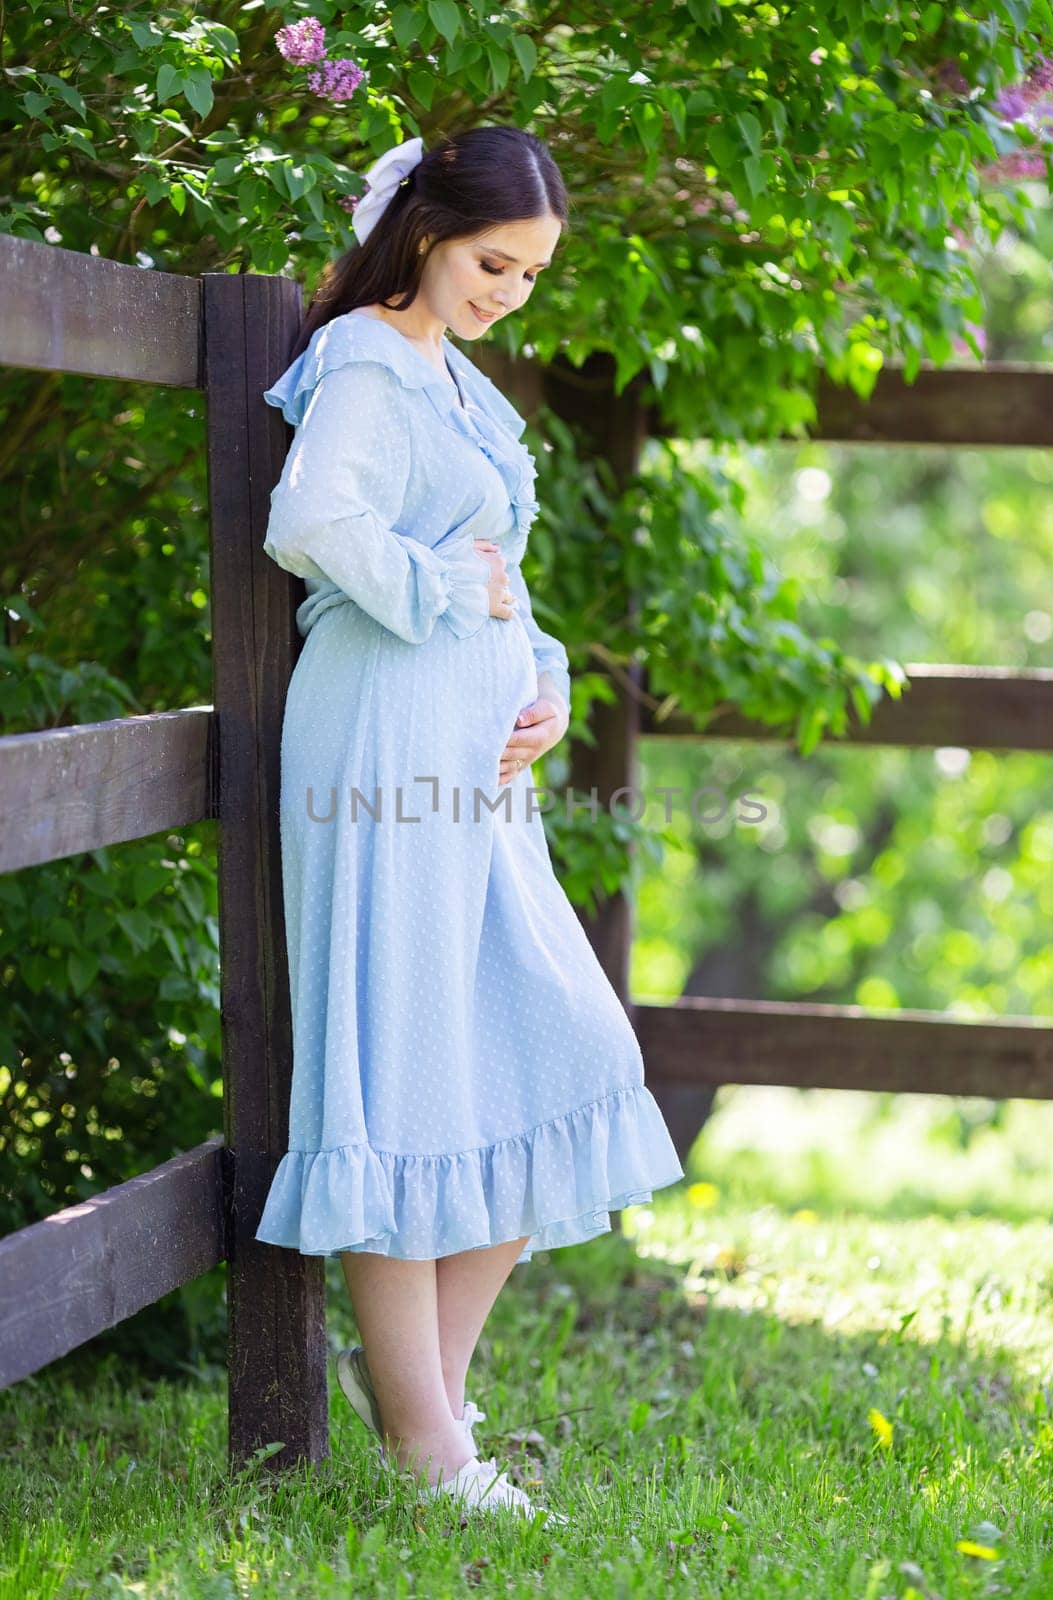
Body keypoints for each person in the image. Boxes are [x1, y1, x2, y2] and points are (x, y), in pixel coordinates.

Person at [254, 123, 685, 1520]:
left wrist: (544, 683)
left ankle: (426, 1421)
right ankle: (432, 1449)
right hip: (379, 737)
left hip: (474, 765)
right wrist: (453, 603)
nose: (510, 289)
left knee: (554, 1045)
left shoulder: (454, 382)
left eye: (532, 272)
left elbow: (504, 572)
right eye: (494, 260)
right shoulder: (370, 358)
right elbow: (314, 520)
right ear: (427, 232)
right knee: (403, 1065)